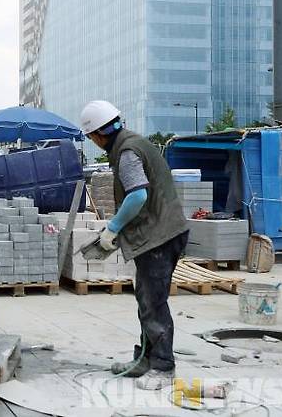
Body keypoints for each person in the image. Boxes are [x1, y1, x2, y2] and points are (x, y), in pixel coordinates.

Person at [79, 100, 189, 390]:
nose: (93, 142)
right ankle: (145, 359)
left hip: (159, 236)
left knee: (153, 303)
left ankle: (163, 367)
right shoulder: (133, 143)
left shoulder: (127, 153)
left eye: (91, 137)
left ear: (99, 134)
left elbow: (138, 196)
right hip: (162, 232)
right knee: (146, 300)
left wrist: (113, 227)